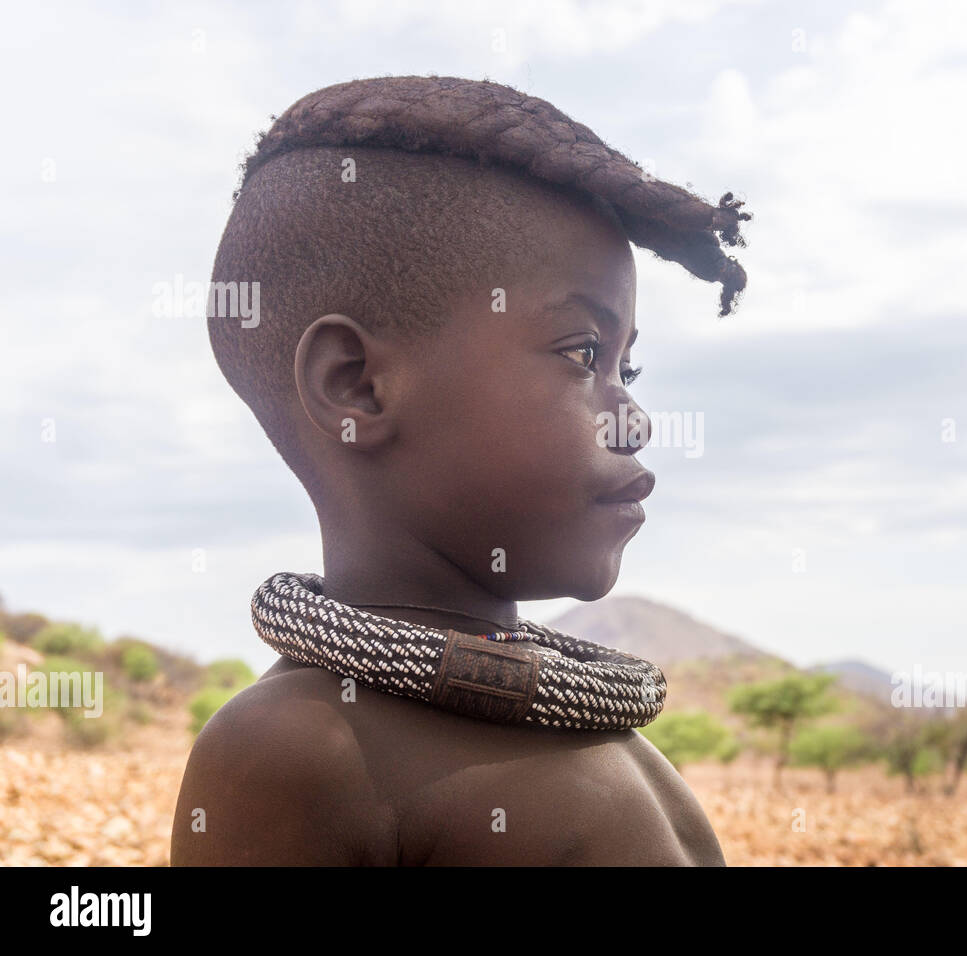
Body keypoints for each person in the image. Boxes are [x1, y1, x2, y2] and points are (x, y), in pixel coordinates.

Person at [170, 75, 751, 865]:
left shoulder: (590, 731)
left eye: (629, 369)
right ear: (357, 386)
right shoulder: (302, 748)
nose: (636, 418)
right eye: (584, 354)